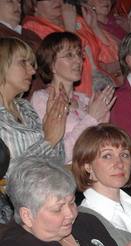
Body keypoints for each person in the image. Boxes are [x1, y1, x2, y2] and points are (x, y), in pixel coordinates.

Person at [0, 156, 131, 246]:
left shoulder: (86, 221)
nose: (71, 214)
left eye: (72, 202)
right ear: (27, 215)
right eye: (57, 208)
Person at [31, 32, 115, 164]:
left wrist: (104, 124)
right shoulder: (42, 99)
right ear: (51, 64)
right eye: (69, 55)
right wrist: (92, 118)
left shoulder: (84, 100)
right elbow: (58, 154)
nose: (78, 61)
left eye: (79, 54)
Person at [23, 0, 119, 96]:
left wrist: (95, 27)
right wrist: (70, 28)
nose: (56, 1)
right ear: (33, 5)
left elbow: (114, 56)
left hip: (105, 87)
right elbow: (55, 63)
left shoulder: (76, 18)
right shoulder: (32, 27)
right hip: (76, 94)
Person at [0, 37, 65, 174]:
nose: (33, 71)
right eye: (23, 62)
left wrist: (54, 121)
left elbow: (58, 160)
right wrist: (48, 141)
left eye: (32, 64)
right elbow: (7, 172)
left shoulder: (25, 107)